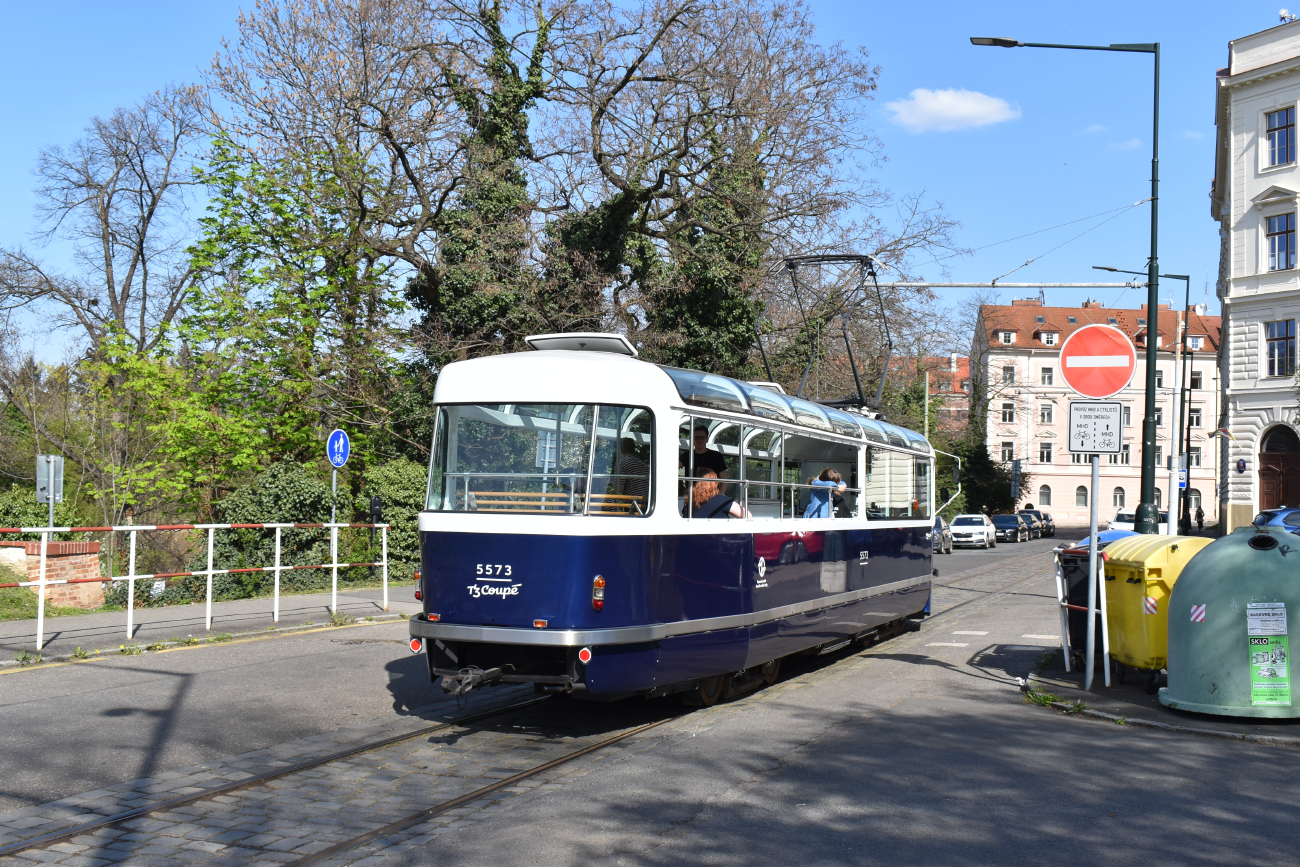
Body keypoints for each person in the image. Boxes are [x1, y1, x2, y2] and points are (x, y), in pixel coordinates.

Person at [682, 424, 728, 493]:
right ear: (692, 439)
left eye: (702, 437)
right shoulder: (687, 455)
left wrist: (720, 498)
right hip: (692, 496)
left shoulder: (716, 456)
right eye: (696, 437)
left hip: (711, 498)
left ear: (707, 439)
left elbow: (724, 479)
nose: (699, 440)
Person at [683, 470, 748, 519]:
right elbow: (747, 515)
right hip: (718, 536)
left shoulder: (688, 503)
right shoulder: (721, 500)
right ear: (714, 483)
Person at [614, 438, 650, 508]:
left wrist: (610, 483)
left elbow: (620, 488)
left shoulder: (621, 463)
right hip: (647, 501)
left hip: (633, 503)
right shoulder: (641, 463)